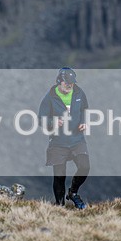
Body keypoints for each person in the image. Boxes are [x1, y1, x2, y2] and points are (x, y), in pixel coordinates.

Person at [37, 67, 90, 209]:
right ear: (59, 81)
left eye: (72, 83)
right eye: (67, 83)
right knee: (59, 176)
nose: (70, 85)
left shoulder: (79, 93)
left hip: (77, 139)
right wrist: (53, 122)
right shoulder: (50, 97)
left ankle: (73, 192)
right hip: (58, 142)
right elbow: (41, 119)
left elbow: (84, 109)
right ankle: (60, 206)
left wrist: (84, 122)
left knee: (85, 166)